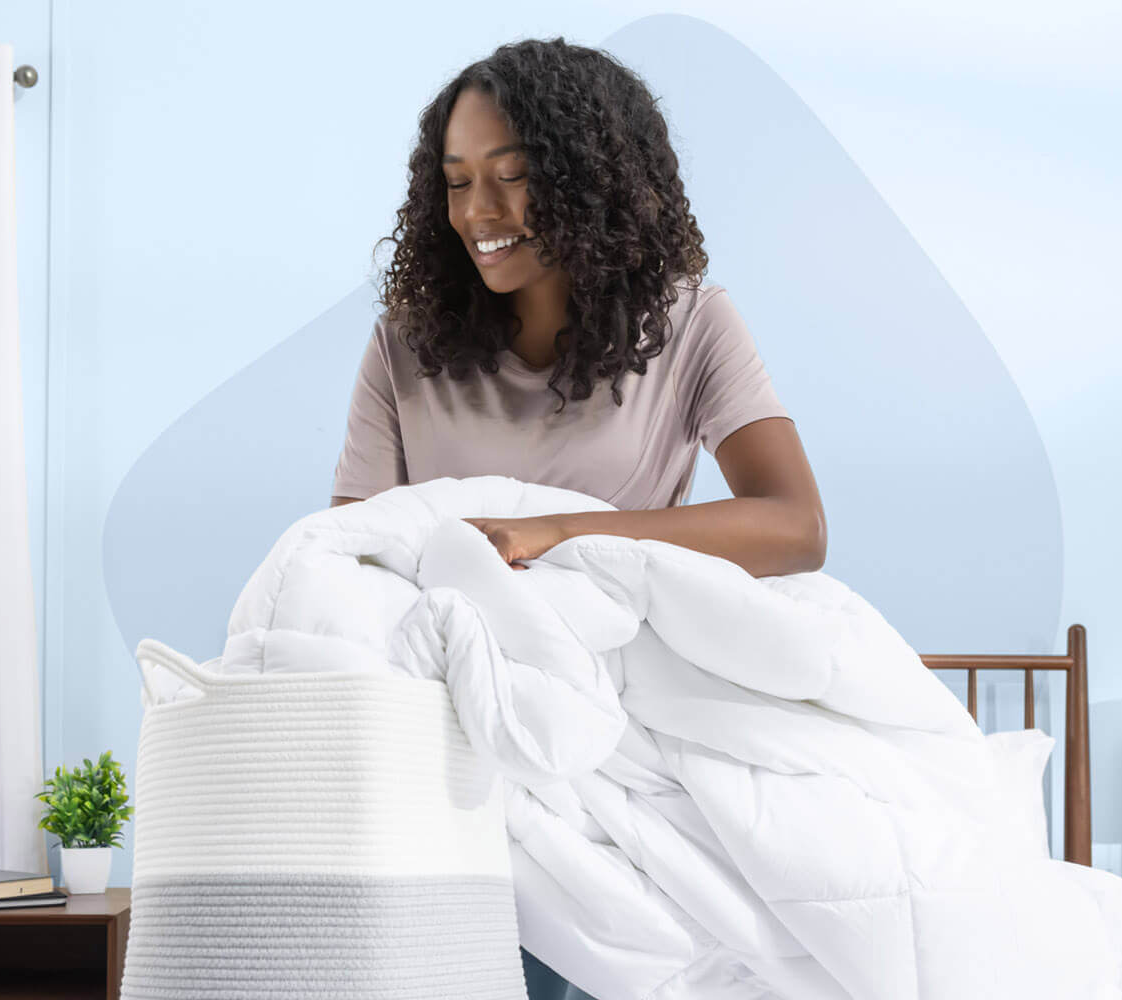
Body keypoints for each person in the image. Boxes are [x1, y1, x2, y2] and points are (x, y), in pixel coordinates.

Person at [330, 37, 826, 999]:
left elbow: (795, 526)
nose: (480, 212)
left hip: (607, 720)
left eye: (513, 179)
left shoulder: (691, 325)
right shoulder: (405, 345)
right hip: (439, 725)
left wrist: (561, 533)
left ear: (595, 183)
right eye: (458, 181)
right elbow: (351, 551)